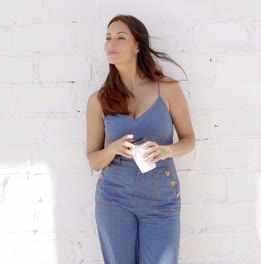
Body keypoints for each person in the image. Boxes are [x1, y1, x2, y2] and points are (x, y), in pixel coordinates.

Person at [86, 14, 195, 264]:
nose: (111, 44)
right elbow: (93, 160)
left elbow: (189, 139)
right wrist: (112, 149)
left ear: (137, 46)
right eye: (108, 38)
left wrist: (167, 151)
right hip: (114, 197)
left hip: (161, 197)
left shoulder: (167, 88)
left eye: (120, 38)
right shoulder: (98, 100)